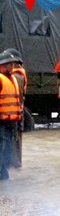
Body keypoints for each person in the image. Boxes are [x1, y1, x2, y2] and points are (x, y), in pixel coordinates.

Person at [0, 51, 22, 180]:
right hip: (1, 122)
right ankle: (3, 176)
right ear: (4, 64)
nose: (13, 66)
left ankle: (4, 175)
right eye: (11, 64)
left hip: (11, 122)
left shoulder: (12, 77)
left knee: (8, 149)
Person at [5, 48, 27, 168]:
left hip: (14, 114)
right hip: (14, 113)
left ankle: (13, 164)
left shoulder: (16, 76)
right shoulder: (16, 75)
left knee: (14, 140)